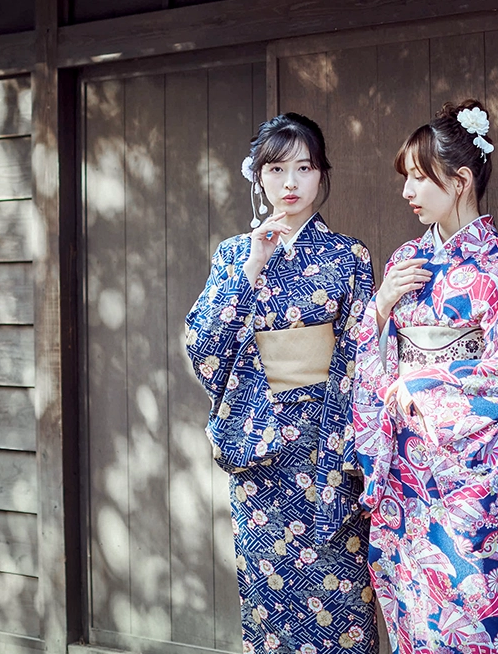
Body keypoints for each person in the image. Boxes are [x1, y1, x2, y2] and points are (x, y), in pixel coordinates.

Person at [352, 99, 498, 654]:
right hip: (404, 469)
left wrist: (426, 384)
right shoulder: (404, 261)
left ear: (460, 181)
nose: (407, 191)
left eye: (419, 177)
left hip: (470, 471)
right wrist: (380, 307)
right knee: (410, 613)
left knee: (473, 609)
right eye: (407, 178)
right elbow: (370, 361)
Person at [185, 113, 377, 654]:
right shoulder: (234, 255)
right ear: (258, 177)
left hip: (328, 448)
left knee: (343, 603)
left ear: (322, 174)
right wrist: (251, 267)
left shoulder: (349, 256)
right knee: (269, 608)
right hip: (261, 454)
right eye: (276, 169)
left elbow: (365, 358)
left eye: (304, 168)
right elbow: (205, 350)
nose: (290, 182)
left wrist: (349, 455)